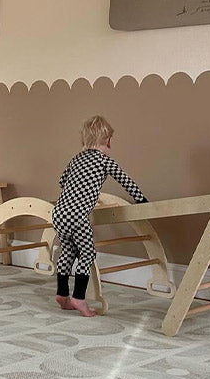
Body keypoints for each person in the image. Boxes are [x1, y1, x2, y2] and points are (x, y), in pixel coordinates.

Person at [53, 115, 148, 317]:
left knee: (68, 251)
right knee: (87, 254)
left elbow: (63, 182)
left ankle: (62, 294)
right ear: (109, 140)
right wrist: (142, 201)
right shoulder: (105, 161)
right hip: (78, 215)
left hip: (60, 212)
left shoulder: (76, 159)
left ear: (84, 140)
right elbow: (126, 181)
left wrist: (83, 191)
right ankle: (79, 297)